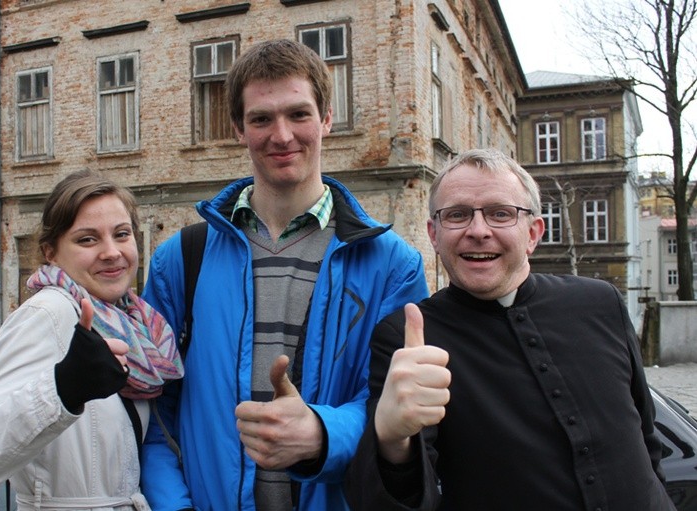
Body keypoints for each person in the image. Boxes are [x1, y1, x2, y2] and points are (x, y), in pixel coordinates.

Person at [140, 39, 429, 511]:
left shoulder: (392, 265)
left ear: (327, 119)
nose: (282, 135)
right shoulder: (179, 260)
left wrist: (321, 433)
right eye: (261, 118)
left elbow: (393, 407)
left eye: (298, 114)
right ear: (239, 128)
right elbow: (155, 411)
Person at [344, 148, 676, 511]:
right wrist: (391, 440)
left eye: (500, 214)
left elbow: (646, 438)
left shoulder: (602, 303)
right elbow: (402, 496)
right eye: (457, 215)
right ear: (434, 235)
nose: (478, 231)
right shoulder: (406, 338)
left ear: (533, 233)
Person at [0, 169, 184, 510]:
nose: (112, 252)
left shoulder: (135, 324)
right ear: (50, 252)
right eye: (87, 239)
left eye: (122, 234)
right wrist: (62, 389)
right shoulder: (48, 315)